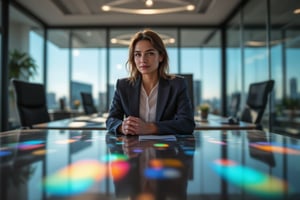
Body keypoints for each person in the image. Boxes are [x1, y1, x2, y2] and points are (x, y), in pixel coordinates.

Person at [106, 29, 195, 135]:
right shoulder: (123, 86)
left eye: (150, 53)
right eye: (138, 54)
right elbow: (111, 120)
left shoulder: (177, 85)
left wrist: (151, 128)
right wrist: (122, 127)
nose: (143, 60)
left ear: (161, 56)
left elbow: (187, 124)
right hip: (133, 148)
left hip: (166, 149)